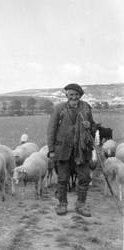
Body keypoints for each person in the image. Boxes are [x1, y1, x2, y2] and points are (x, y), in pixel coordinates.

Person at [47, 83, 96, 217]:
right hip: (63, 149)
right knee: (62, 179)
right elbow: (51, 130)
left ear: (80, 95)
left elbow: (93, 127)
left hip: (82, 150)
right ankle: (62, 204)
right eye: (71, 94)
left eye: (76, 94)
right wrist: (51, 150)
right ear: (66, 95)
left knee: (84, 178)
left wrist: (89, 125)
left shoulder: (86, 107)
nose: (74, 97)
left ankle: (81, 204)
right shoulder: (59, 109)